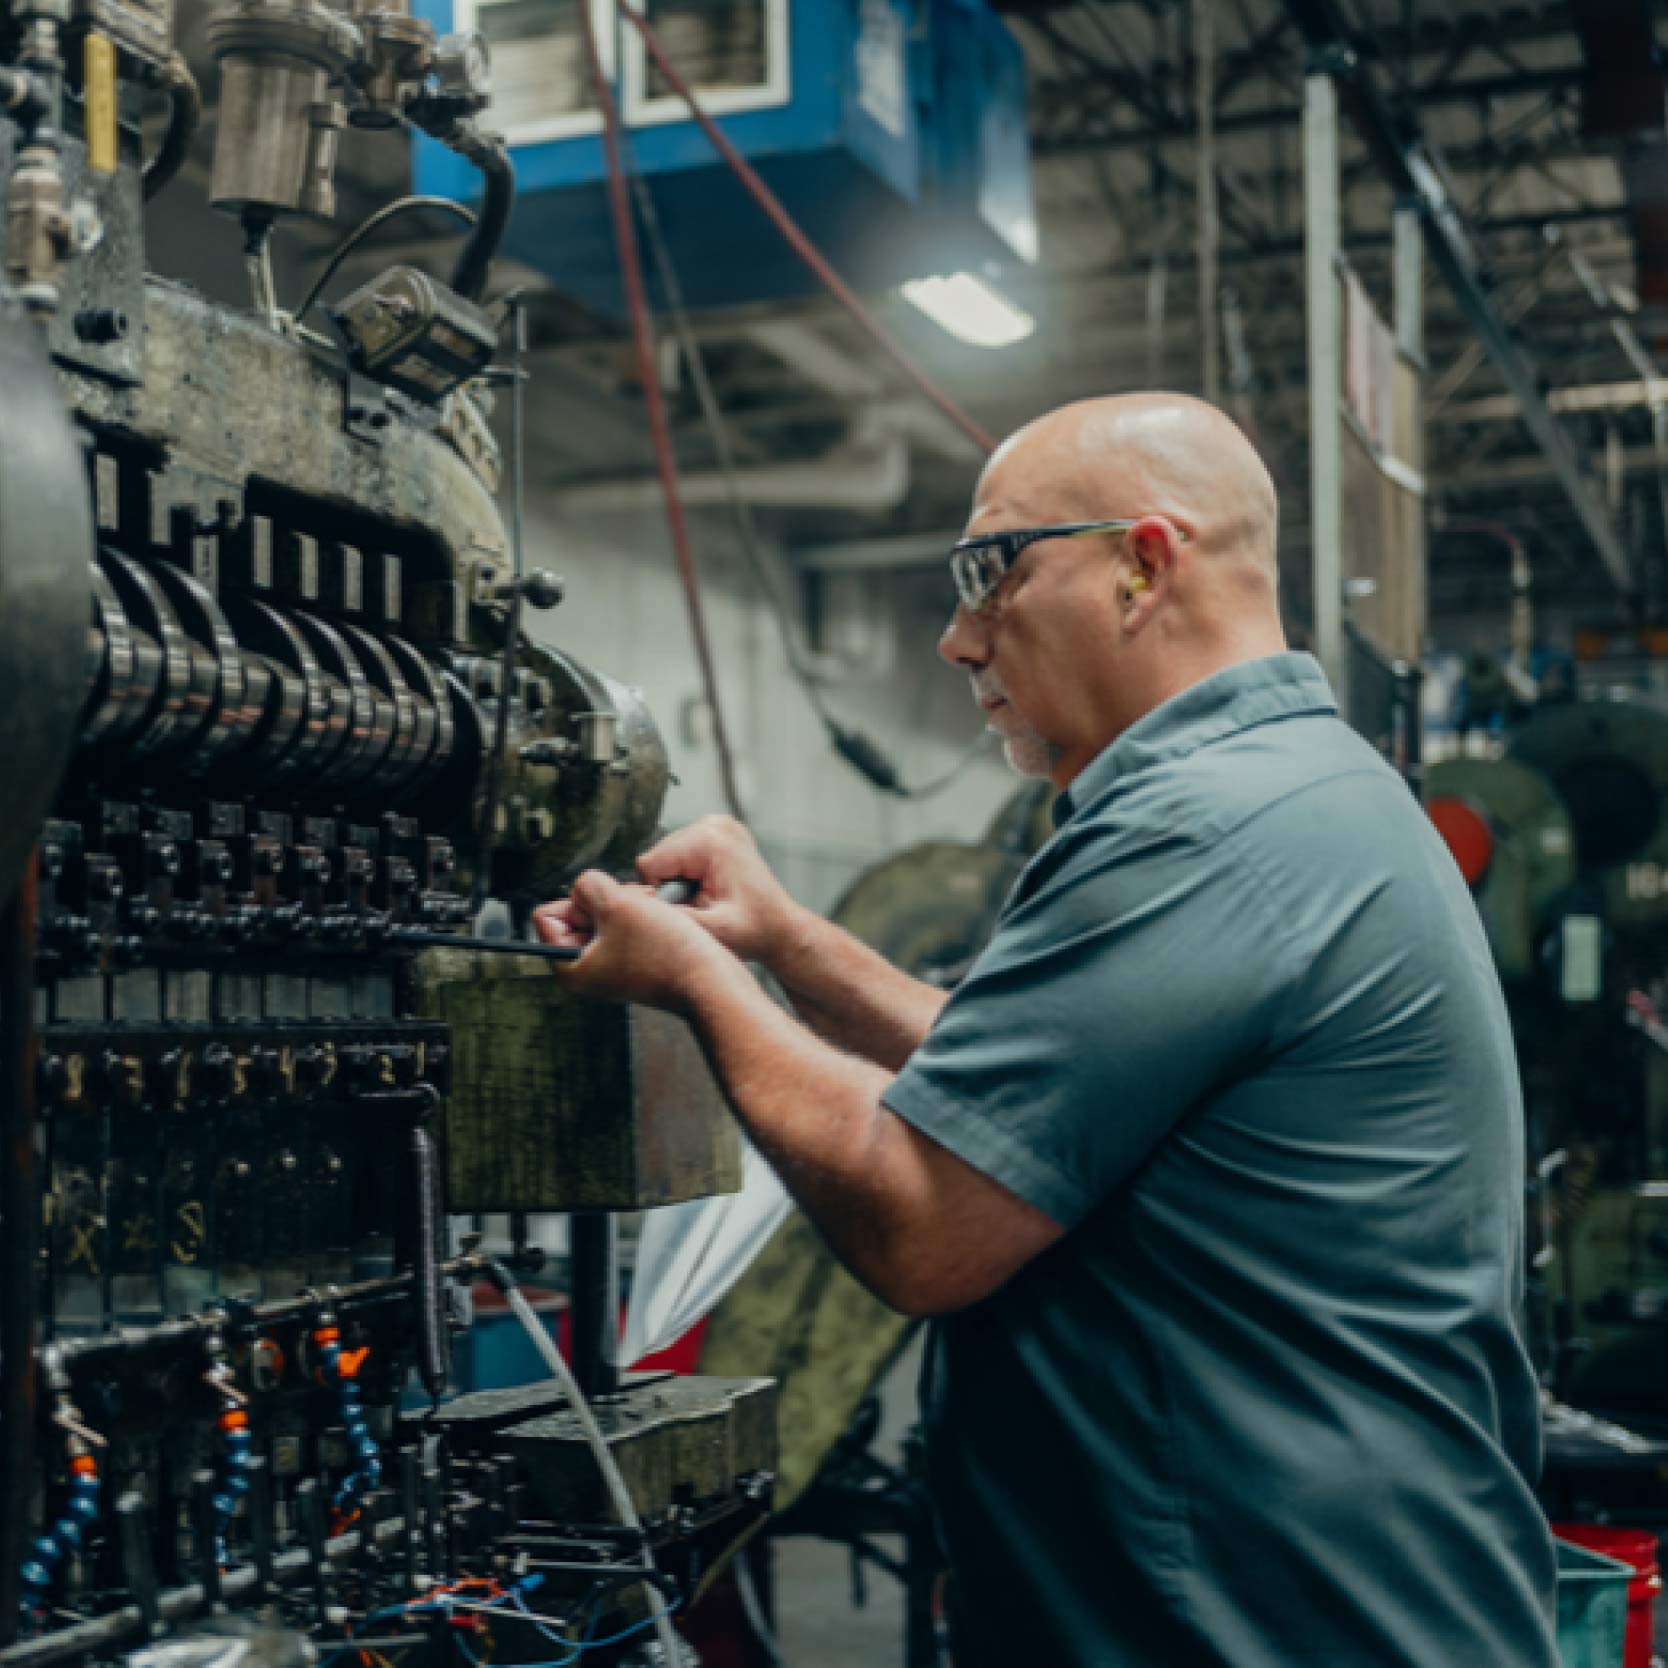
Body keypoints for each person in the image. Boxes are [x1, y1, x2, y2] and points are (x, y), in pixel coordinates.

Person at [533, 394, 1558, 1667]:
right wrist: (786, 943)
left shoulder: (1202, 829)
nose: (962, 642)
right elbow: (1033, 1082)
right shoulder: (1302, 790)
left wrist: (695, 981)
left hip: (1259, 1624)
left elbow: (922, 1220)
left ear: (1143, 562)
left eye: (992, 574)